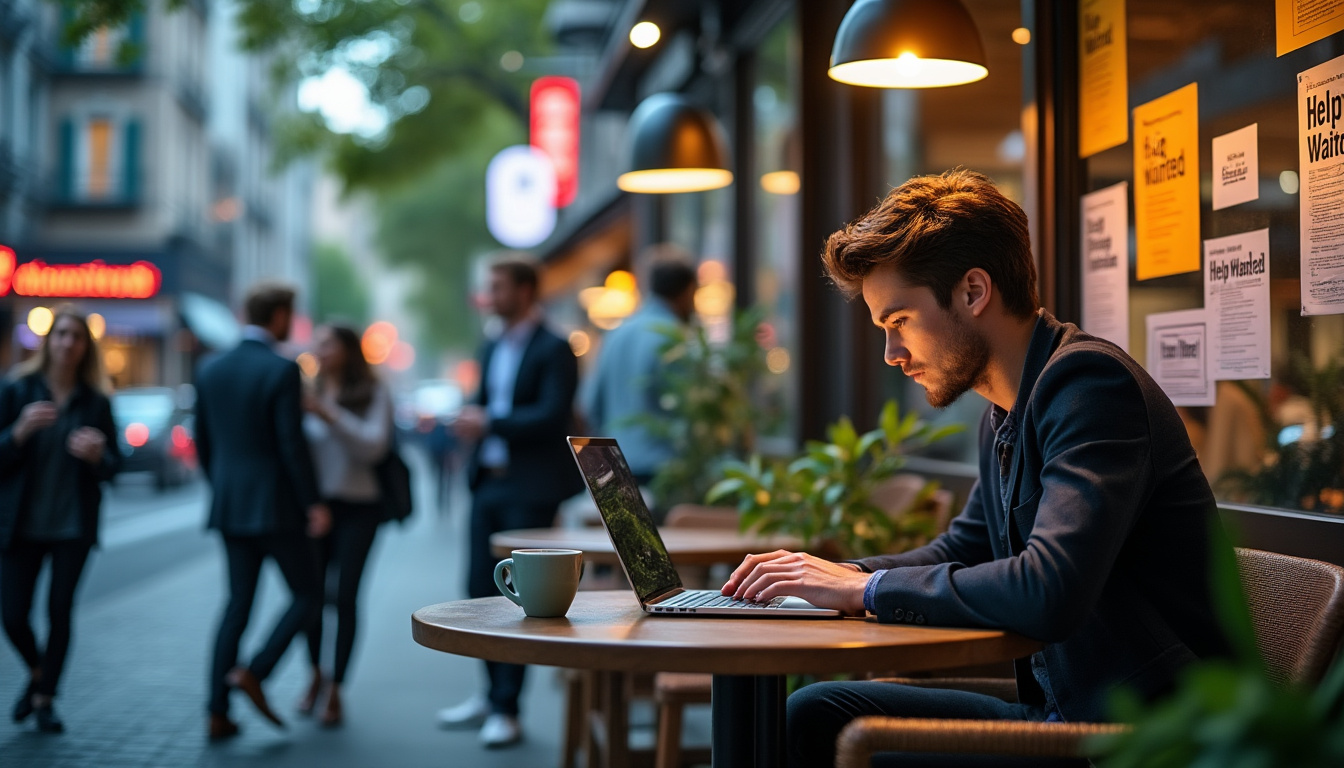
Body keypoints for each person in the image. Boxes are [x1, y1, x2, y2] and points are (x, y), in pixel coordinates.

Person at [718, 170, 1233, 767]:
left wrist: (864, 590)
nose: (892, 354)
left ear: (972, 291)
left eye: (899, 321)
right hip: (1064, 715)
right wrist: (838, 576)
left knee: (813, 726)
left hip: (1139, 739)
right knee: (816, 714)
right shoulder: (1009, 410)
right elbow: (966, 547)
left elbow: (1049, 590)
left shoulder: (1090, 386)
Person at [437, 259, 582, 747]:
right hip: (488, 482)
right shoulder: (492, 344)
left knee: (520, 597)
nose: (489, 295)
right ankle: (489, 695)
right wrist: (472, 421)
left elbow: (552, 415)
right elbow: (487, 403)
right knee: (479, 588)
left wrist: (489, 423)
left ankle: (507, 708)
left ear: (525, 291)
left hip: (530, 487)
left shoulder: (555, 347)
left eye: (498, 287)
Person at [195, 283, 330, 741]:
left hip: (230, 504)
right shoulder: (281, 368)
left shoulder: (210, 367)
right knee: (308, 594)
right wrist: (313, 503)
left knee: (237, 604)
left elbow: (203, 443)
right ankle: (256, 671)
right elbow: (291, 444)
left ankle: (216, 712)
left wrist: (223, 489)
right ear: (279, 316)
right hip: (277, 506)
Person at [0, 307, 120, 734]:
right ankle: (39, 674)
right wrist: (17, 434)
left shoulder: (96, 401)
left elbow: (114, 467)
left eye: (77, 336)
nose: (68, 343)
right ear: (48, 341)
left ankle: (46, 698)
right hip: (21, 524)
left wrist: (98, 457)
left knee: (59, 612)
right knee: (13, 615)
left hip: (73, 525)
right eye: (61, 334)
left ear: (86, 347)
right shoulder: (18, 390)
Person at [297, 323, 393, 727]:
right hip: (315, 508)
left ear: (348, 350)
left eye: (327, 344)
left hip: (359, 507)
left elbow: (374, 446)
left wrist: (329, 414)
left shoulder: (373, 391)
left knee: (346, 596)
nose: (319, 350)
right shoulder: (307, 391)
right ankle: (314, 675)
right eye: (316, 343)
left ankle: (336, 686)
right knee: (310, 596)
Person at [584, 250, 698, 492]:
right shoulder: (676, 339)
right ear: (688, 290)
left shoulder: (616, 334)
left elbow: (590, 406)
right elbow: (690, 412)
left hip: (616, 468)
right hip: (665, 471)